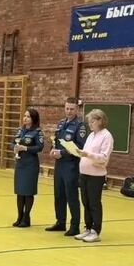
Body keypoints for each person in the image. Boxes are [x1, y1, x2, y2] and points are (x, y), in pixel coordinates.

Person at [45, 96, 87, 236]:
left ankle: (74, 226)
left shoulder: (80, 126)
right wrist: (53, 149)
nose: (69, 111)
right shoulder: (61, 123)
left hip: (71, 165)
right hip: (59, 164)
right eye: (67, 108)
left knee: (71, 195)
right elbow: (56, 141)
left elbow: (79, 147)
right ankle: (60, 222)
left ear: (77, 109)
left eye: (72, 109)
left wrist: (62, 153)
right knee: (59, 194)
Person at [76, 109, 113, 243]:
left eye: (92, 121)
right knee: (85, 202)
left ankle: (95, 231)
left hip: (96, 175)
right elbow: (86, 152)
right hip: (84, 174)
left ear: (100, 121)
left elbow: (103, 157)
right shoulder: (91, 135)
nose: (90, 124)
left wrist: (87, 154)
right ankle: (88, 228)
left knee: (94, 203)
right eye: (89, 121)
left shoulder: (106, 136)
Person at [11, 108, 43, 228]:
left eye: (28, 116)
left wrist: (26, 148)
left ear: (33, 119)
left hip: (30, 165)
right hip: (20, 164)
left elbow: (40, 147)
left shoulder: (37, 132)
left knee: (28, 192)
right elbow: (13, 142)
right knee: (20, 192)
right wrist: (14, 148)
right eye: (24, 116)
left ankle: (26, 217)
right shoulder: (20, 130)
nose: (25, 118)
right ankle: (19, 217)